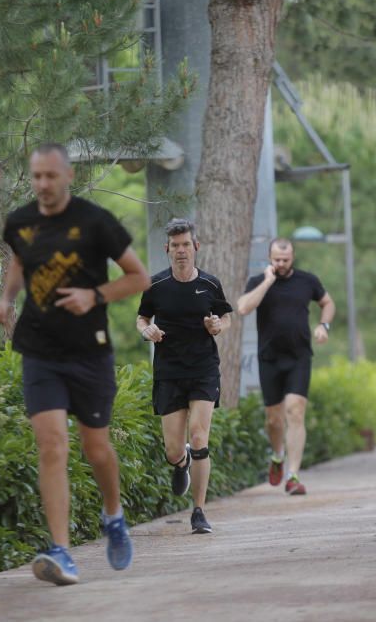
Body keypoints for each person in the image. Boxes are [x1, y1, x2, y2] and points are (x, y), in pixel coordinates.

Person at [0, 142, 149, 585]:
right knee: (52, 445)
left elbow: (139, 277)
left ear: (68, 176)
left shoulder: (95, 222)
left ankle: (113, 516)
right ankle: (61, 550)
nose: (42, 185)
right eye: (36, 176)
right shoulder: (20, 221)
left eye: (50, 176)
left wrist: (93, 295)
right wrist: (6, 299)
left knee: (96, 449)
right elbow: (19, 262)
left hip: (90, 352)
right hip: (39, 351)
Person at [136, 218, 233, 534]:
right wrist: (146, 330)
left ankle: (199, 511)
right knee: (173, 450)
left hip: (203, 369)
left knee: (199, 435)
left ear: (196, 247)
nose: (181, 251)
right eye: (175, 246)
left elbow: (226, 317)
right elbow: (142, 318)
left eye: (185, 245)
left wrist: (218, 327)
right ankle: (182, 464)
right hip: (169, 372)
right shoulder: (156, 285)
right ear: (167, 249)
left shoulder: (210, 284)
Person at [237, 238, 334, 496]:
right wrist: (268, 281)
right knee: (274, 419)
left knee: (295, 411)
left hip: (299, 356)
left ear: (293, 257)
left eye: (285, 260)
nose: (280, 264)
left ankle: (292, 475)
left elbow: (327, 303)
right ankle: (278, 455)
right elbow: (243, 307)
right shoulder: (259, 282)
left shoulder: (307, 281)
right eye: (276, 260)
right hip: (269, 358)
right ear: (270, 257)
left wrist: (324, 325)